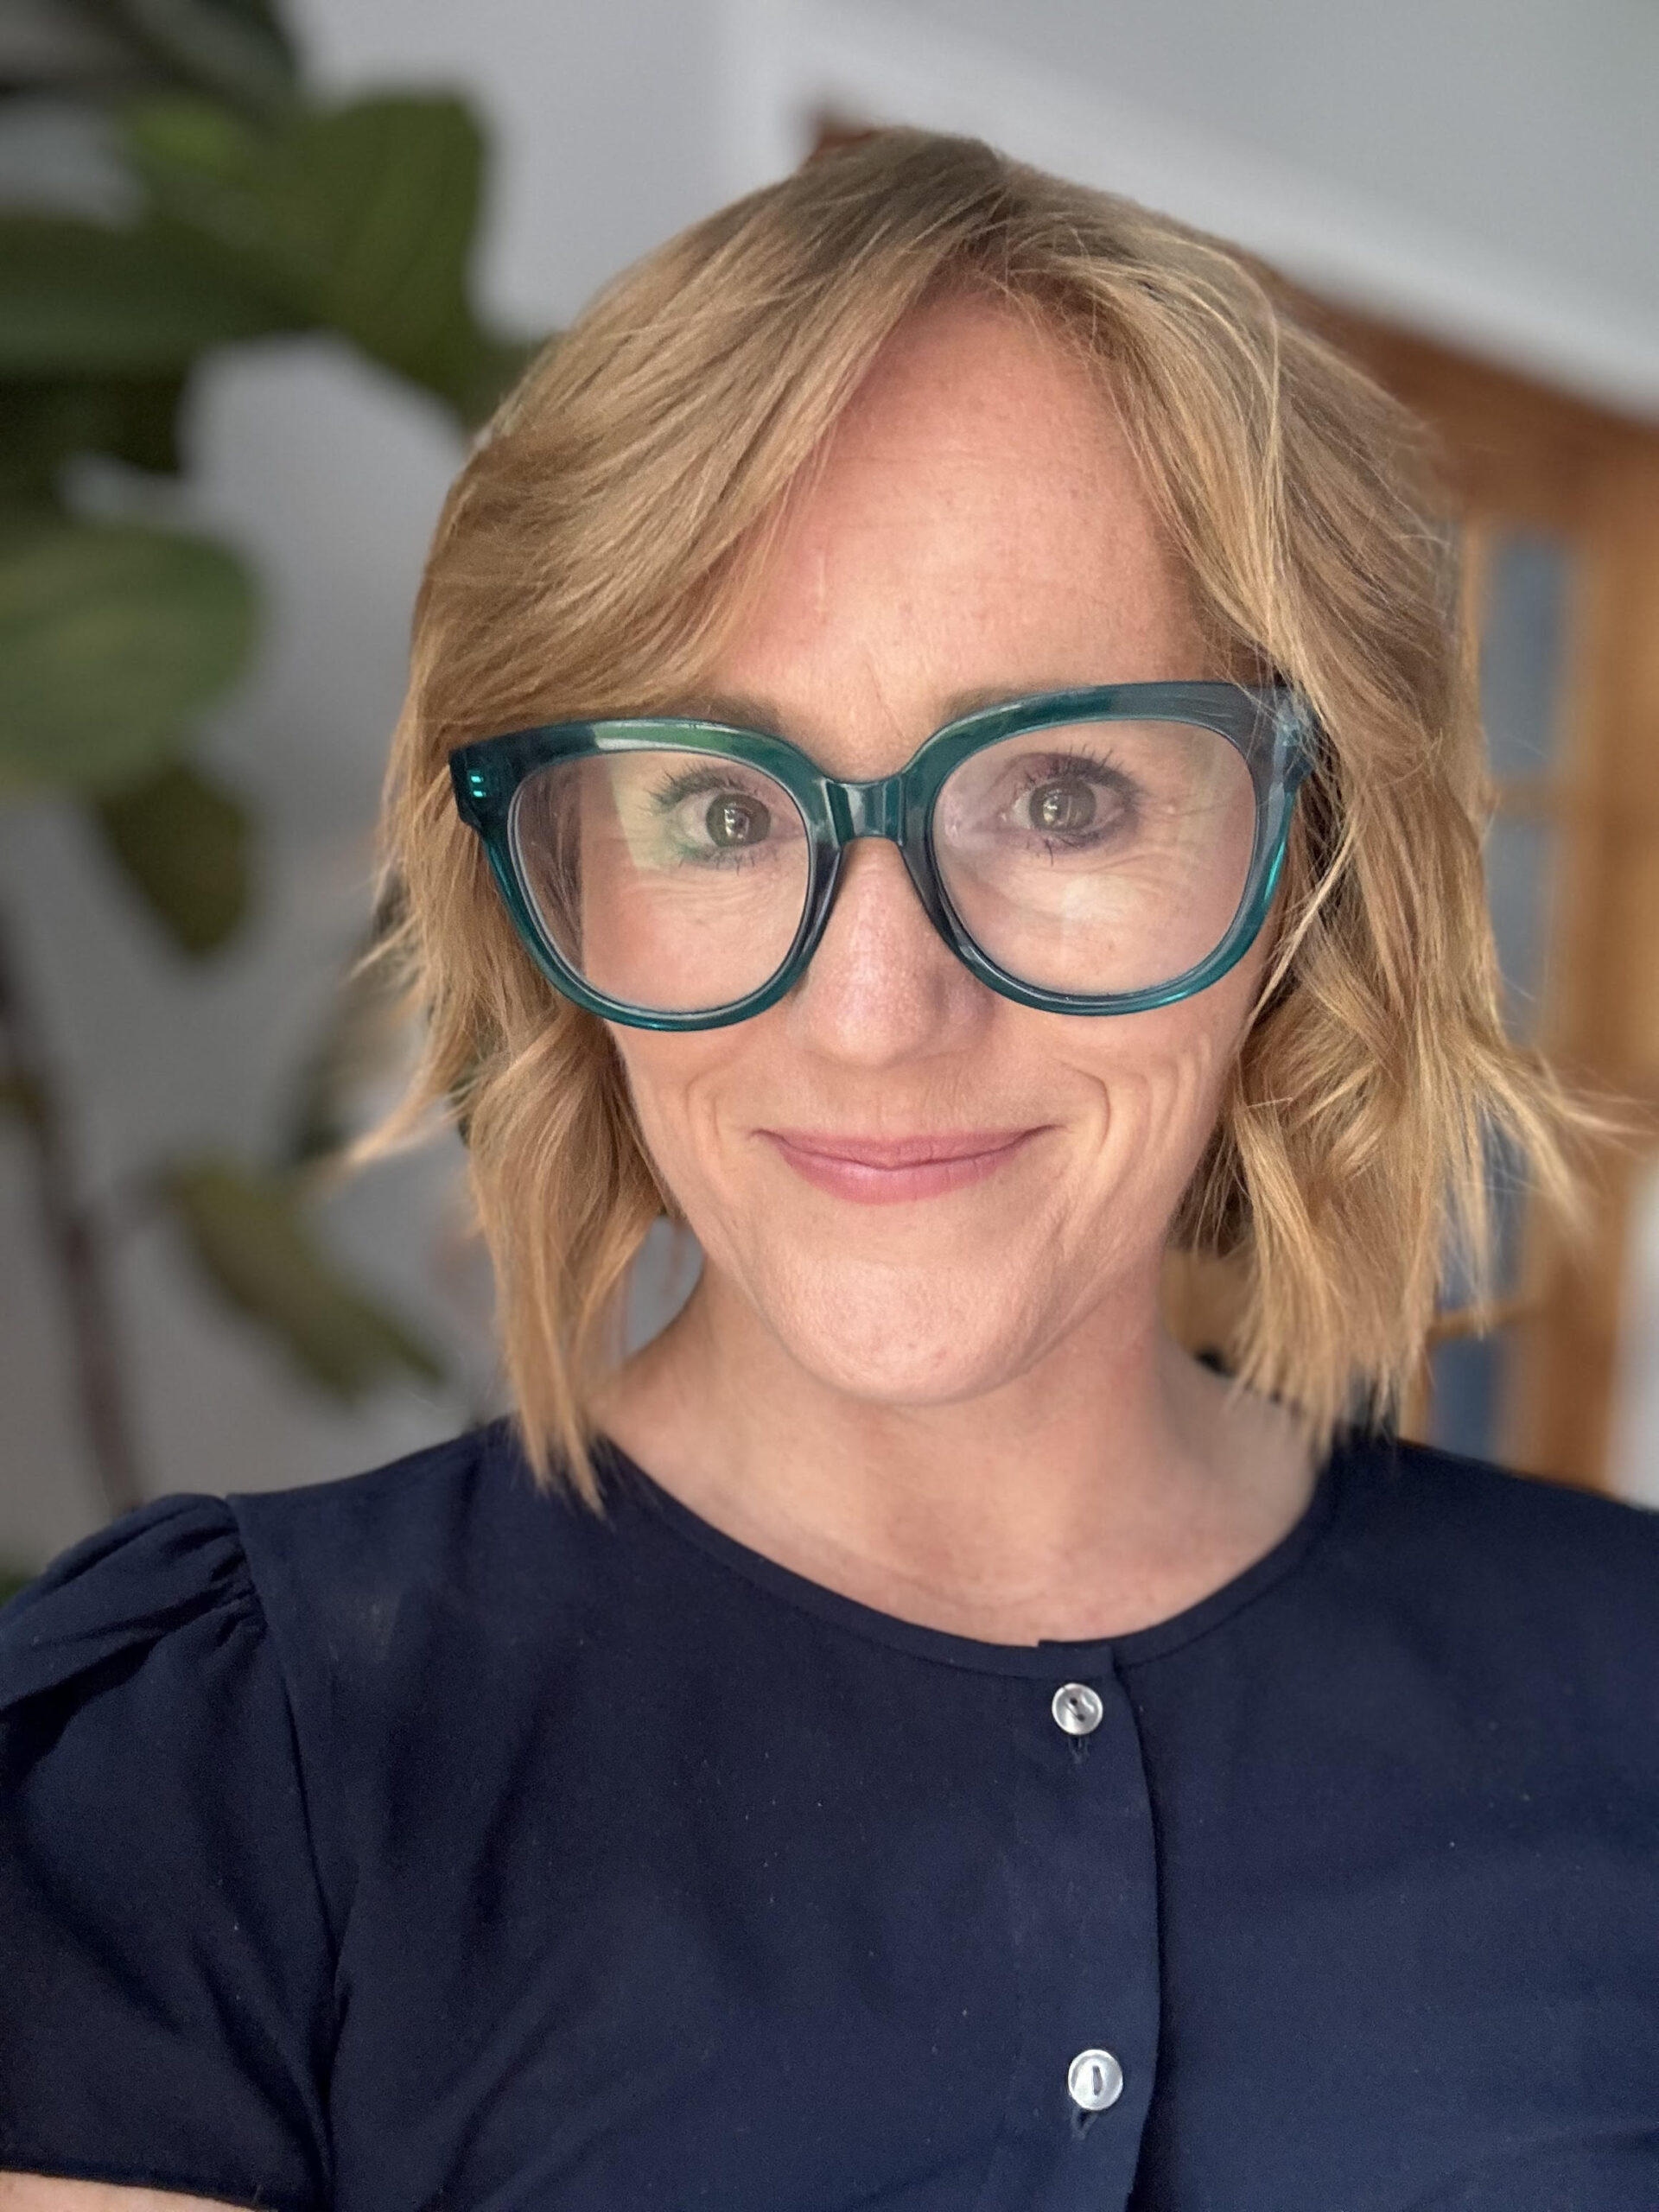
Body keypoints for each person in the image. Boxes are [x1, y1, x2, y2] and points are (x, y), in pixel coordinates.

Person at [2, 129, 1656, 2212]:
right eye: (715, 803)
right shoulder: (211, 1769)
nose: (874, 1007)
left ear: (1299, 861)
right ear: (552, 886)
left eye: (1060, 793)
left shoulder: (1627, 1681)